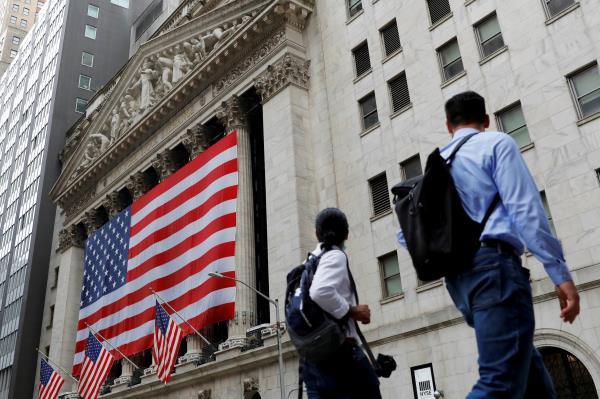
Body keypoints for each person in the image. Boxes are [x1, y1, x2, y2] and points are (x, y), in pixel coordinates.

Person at [397, 91, 580, 398]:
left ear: (447, 125)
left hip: (459, 281)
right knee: (499, 382)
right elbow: (526, 211)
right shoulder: (496, 143)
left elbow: (405, 235)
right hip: (493, 269)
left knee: (532, 381)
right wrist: (560, 274)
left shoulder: (434, 168)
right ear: (486, 119)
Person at [303, 208, 382, 399]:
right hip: (342, 354)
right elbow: (320, 291)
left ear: (317, 234)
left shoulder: (310, 261)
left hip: (313, 362)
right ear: (346, 234)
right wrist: (353, 311)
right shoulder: (334, 256)